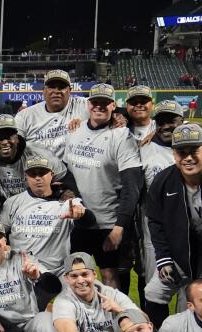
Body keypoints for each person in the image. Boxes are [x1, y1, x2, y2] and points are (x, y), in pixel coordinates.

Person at [64, 83, 142, 289]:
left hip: (107, 222)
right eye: (95, 102)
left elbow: (132, 185)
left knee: (109, 274)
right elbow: (68, 171)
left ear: (113, 105)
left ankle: (113, 319)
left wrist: (119, 227)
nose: (99, 107)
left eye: (105, 103)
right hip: (78, 220)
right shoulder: (75, 130)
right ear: (88, 104)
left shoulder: (121, 136)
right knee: (75, 274)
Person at [147, 123, 202, 323]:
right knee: (154, 293)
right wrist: (163, 257)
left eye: (194, 151)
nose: (188, 158)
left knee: (197, 300)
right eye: (182, 152)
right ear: (174, 155)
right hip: (181, 252)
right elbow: (155, 222)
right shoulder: (163, 181)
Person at [0, 156, 93, 275]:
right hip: (21, 270)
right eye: (33, 174)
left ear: (51, 175)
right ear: (26, 177)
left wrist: (81, 214)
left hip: (57, 273)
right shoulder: (13, 202)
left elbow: (90, 221)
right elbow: (0, 231)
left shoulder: (67, 203)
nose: (38, 178)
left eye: (42, 173)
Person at [139, 101, 182, 327]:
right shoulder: (143, 151)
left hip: (190, 237)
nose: (166, 126)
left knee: (189, 294)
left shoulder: (199, 149)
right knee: (155, 291)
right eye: (161, 122)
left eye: (171, 121)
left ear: (182, 122)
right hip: (153, 235)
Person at [0, 114, 73, 204]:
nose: (4, 142)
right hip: (7, 210)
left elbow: (64, 176)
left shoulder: (38, 152)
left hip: (40, 208)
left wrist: (70, 191)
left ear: (17, 137)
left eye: (8, 137)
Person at [15, 69, 89, 159]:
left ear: (70, 91)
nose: (56, 91)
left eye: (62, 87)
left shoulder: (83, 105)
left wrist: (111, 115)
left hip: (70, 169)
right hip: (37, 169)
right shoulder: (25, 116)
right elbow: (13, 145)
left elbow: (107, 103)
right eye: (51, 87)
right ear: (43, 91)